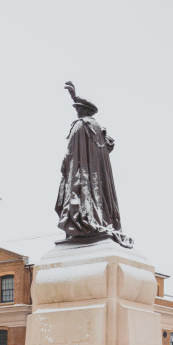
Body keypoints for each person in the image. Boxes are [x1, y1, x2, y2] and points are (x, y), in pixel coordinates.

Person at [55, 82, 133, 247]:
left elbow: (70, 153)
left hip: (82, 177)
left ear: (83, 110)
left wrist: (64, 166)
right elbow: (109, 146)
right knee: (98, 200)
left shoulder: (80, 126)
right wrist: (74, 97)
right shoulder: (99, 129)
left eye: (77, 108)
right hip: (98, 182)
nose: (76, 111)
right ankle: (100, 221)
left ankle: (82, 224)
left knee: (80, 199)